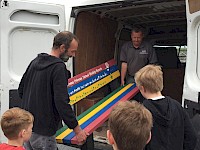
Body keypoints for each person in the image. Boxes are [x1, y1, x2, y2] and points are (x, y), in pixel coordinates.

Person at [18, 31, 88, 150]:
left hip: (27, 130)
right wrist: (77, 130)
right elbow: (61, 102)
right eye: (73, 51)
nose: (74, 55)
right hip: (44, 133)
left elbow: (21, 91)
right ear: (62, 48)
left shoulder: (35, 62)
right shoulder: (58, 68)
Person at [134, 64, 197, 150]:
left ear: (143, 88)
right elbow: (191, 137)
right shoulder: (177, 107)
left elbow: (135, 142)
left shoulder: (142, 112)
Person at [120, 27, 158, 102]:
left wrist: (151, 78)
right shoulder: (126, 47)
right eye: (134, 37)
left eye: (138, 37)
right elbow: (124, 64)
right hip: (131, 77)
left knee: (145, 97)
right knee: (129, 97)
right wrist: (122, 79)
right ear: (131, 36)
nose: (136, 40)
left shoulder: (148, 47)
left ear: (142, 36)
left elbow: (152, 64)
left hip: (144, 78)